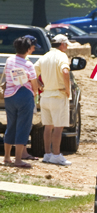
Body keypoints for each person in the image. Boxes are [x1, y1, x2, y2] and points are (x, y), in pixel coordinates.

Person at [2, 36, 41, 168]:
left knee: (11, 126)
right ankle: (18, 159)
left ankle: (7, 157)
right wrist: (35, 93)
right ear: (28, 49)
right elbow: (34, 83)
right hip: (24, 95)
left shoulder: (9, 60)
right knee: (23, 127)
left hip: (9, 96)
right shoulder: (28, 64)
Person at [34, 34, 72, 166]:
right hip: (58, 95)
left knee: (48, 127)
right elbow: (65, 72)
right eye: (66, 44)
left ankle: (47, 153)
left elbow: (32, 72)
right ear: (62, 44)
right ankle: (56, 154)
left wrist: (40, 85)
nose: (66, 47)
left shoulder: (44, 57)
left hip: (46, 95)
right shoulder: (62, 56)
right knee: (58, 128)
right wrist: (67, 89)